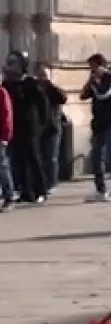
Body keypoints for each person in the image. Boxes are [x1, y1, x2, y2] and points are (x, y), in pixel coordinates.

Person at [4, 51, 48, 204]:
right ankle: (24, 190)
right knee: (17, 160)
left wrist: (42, 124)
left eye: (14, 63)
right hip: (14, 128)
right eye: (9, 63)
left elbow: (43, 105)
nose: (11, 66)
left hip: (30, 128)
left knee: (34, 158)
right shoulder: (7, 84)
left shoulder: (31, 83)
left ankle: (41, 190)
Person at [81, 53, 111, 203]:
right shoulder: (94, 81)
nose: (91, 70)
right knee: (96, 157)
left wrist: (95, 84)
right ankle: (101, 189)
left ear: (102, 66)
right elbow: (83, 96)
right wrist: (89, 84)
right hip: (98, 124)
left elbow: (104, 94)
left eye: (93, 66)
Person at [34, 64, 67, 193]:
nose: (43, 77)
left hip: (53, 127)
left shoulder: (53, 89)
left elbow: (63, 98)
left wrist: (50, 85)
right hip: (38, 128)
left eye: (45, 75)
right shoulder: (34, 89)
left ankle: (51, 183)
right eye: (40, 74)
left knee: (52, 157)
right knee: (39, 156)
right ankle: (40, 183)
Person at [0, 83, 14, 209]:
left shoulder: (2, 93)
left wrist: (5, 137)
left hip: (0, 137)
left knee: (2, 167)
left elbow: (7, 116)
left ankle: (9, 196)